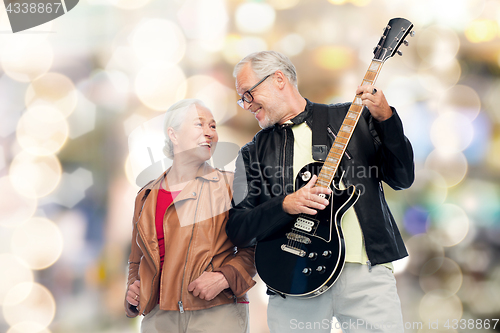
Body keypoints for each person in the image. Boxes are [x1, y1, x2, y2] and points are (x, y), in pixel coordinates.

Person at [227, 51, 414, 333]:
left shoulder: (351, 119)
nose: (246, 105)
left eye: (248, 94)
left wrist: (386, 119)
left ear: (278, 79)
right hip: (290, 278)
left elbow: (402, 177)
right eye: (242, 99)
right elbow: (238, 226)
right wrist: (285, 205)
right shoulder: (253, 152)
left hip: (365, 272)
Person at [124, 99, 256, 333]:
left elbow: (256, 247)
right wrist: (133, 291)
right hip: (158, 318)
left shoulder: (231, 185)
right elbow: (136, 259)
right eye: (200, 124)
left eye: (213, 126)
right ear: (173, 135)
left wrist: (224, 278)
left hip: (216, 313)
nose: (209, 132)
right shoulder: (145, 195)